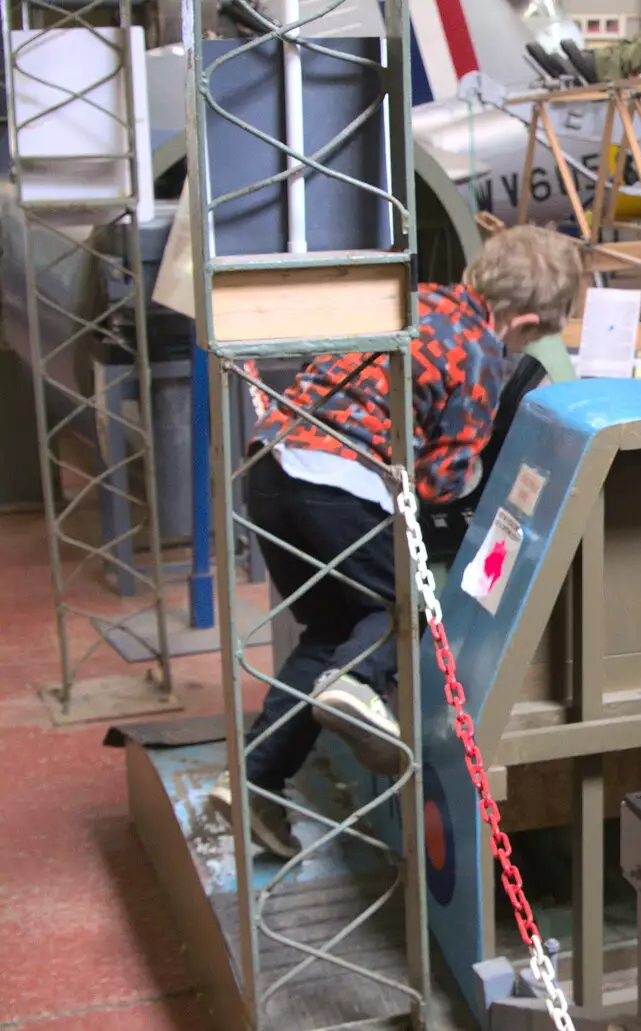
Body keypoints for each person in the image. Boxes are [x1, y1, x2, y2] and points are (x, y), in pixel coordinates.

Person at [211, 224, 584, 859]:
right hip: (337, 484)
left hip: (271, 470)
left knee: (334, 631)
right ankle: (356, 690)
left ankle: (253, 783)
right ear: (520, 321)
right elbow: (439, 485)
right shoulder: (479, 355)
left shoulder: (413, 303)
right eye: (532, 337)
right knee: (405, 609)